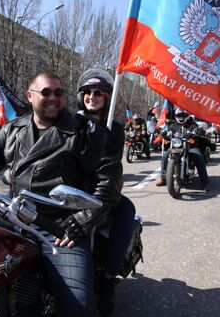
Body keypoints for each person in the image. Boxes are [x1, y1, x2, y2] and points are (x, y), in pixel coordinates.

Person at [0, 70, 123, 316]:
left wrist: (82, 220)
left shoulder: (88, 132)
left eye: (59, 92)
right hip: (14, 217)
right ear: (30, 96)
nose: (53, 97)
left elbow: (109, 183)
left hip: (60, 227)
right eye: (46, 92)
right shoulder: (13, 129)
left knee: (78, 308)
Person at [76, 69, 135, 316]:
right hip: (70, 187)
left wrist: (103, 134)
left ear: (107, 96)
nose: (92, 96)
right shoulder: (70, 122)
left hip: (101, 190)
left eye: (98, 92)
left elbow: (111, 165)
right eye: (87, 92)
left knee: (126, 209)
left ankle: (109, 277)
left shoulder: (115, 129)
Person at [155, 108, 210, 191]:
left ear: (187, 116)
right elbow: (166, 132)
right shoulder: (172, 125)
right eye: (179, 116)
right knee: (165, 156)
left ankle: (204, 183)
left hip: (191, 147)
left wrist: (199, 131)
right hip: (176, 146)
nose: (181, 118)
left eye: (183, 115)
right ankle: (163, 178)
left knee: (199, 157)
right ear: (176, 116)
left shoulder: (192, 124)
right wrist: (164, 133)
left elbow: (198, 130)